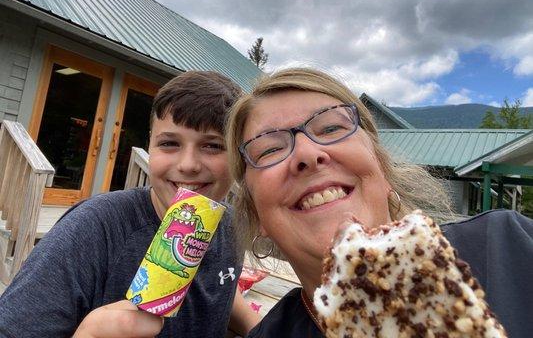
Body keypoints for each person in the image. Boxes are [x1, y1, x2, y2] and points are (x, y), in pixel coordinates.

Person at [225, 67, 533, 338]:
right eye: (269, 150)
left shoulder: (508, 246)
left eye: (332, 128)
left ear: (382, 168)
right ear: (256, 213)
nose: (307, 154)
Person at [0, 71, 259, 337]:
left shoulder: (230, 226)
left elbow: (220, 284)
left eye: (213, 146)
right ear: (151, 146)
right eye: (169, 143)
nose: (188, 165)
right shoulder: (93, 229)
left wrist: (258, 326)